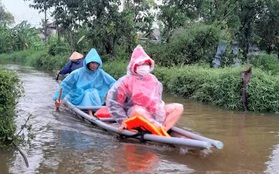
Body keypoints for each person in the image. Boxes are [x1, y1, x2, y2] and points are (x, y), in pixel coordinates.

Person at [106, 45, 183, 133]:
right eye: (141, 64)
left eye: (146, 64)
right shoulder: (125, 81)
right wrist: (123, 120)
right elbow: (114, 103)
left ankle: (163, 128)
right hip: (133, 112)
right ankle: (157, 129)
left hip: (151, 113)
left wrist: (159, 115)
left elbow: (158, 102)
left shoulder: (153, 80)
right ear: (134, 65)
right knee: (138, 110)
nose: (144, 67)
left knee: (178, 107)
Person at [54, 48, 116, 115]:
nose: (94, 65)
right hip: (79, 97)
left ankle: (96, 111)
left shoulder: (100, 73)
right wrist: (58, 98)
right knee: (88, 93)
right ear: (88, 63)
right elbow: (66, 84)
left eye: (96, 63)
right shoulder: (77, 73)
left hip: (95, 98)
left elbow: (113, 83)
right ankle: (90, 113)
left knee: (93, 92)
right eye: (92, 63)